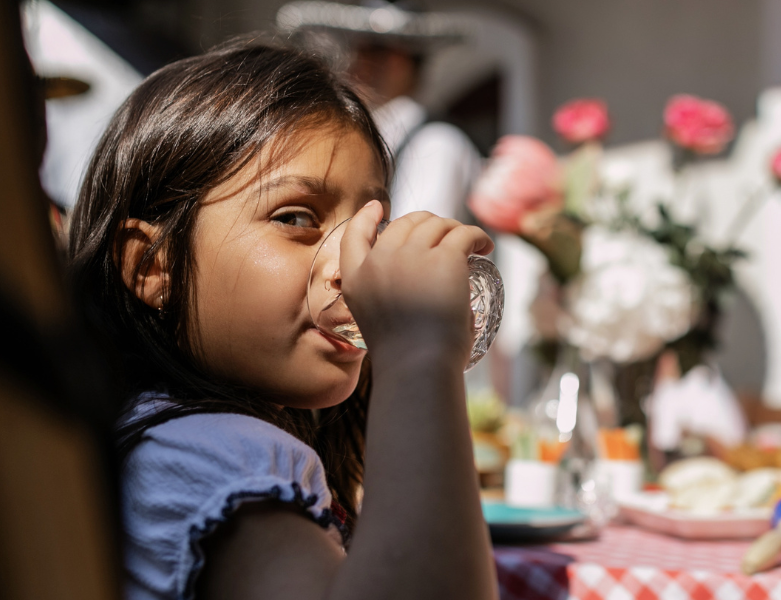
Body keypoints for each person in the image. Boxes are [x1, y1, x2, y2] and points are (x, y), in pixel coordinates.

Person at [67, 38, 497, 600]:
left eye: (372, 226)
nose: (353, 265)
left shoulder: (164, 435)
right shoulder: (215, 454)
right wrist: (418, 357)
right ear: (152, 266)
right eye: (296, 217)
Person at [279, 0, 481, 221]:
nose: (353, 64)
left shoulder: (437, 143)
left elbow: (414, 244)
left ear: (398, 60)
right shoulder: (379, 132)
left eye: (368, 52)